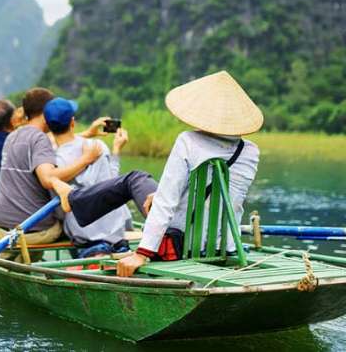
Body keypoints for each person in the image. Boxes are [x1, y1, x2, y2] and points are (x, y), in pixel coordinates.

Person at [58, 71, 262, 277]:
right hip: (222, 244)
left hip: (181, 243)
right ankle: (74, 199)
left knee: (135, 178)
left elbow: (166, 203)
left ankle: (72, 200)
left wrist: (142, 252)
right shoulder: (251, 151)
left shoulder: (189, 141)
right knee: (144, 185)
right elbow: (226, 197)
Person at [0, 88, 103, 252]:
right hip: (29, 231)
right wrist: (86, 160)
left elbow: (48, 143)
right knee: (73, 224)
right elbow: (48, 179)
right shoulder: (40, 139)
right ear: (46, 111)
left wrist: (87, 134)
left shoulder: (14, 135)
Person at [43, 97, 137, 257]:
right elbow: (113, 184)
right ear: (72, 122)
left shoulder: (49, 161)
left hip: (84, 238)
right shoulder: (97, 146)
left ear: (47, 126)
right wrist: (116, 150)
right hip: (115, 235)